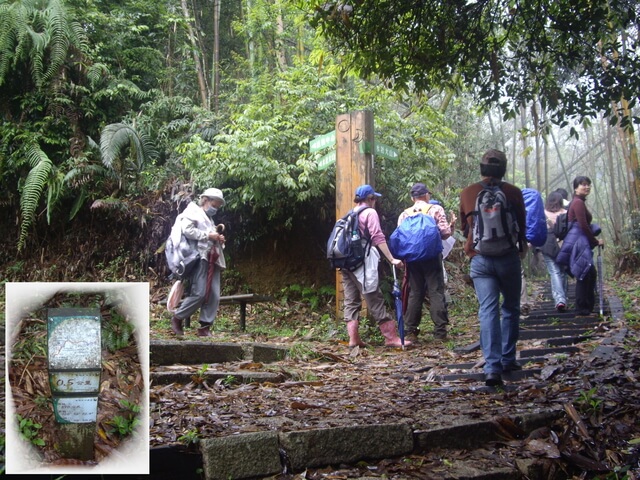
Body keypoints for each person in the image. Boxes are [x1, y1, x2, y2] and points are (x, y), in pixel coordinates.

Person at [459, 149, 528, 387]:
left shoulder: (468, 192)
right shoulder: (513, 192)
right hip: (508, 258)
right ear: (504, 169)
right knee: (510, 307)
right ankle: (508, 359)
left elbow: (464, 228)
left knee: (488, 310)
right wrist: (521, 249)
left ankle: (492, 368)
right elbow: (521, 225)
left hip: (480, 259)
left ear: (481, 168)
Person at [342, 185, 409, 348]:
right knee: (374, 298)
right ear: (370, 199)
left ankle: (353, 338)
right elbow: (377, 237)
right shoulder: (370, 213)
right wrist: (392, 259)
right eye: (374, 199)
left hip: (345, 262)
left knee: (351, 300)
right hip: (361, 263)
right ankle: (391, 337)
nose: (376, 202)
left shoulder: (350, 213)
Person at [397, 183, 452, 342]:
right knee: (435, 291)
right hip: (431, 256)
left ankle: (411, 331)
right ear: (427, 195)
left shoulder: (404, 214)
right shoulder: (435, 209)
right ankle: (440, 332)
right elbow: (445, 233)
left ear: (412, 198)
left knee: (415, 292)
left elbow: (401, 238)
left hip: (412, 259)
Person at [171, 188, 227, 337]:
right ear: (206, 200)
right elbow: (187, 230)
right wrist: (208, 235)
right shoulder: (193, 212)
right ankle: (178, 318)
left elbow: (210, 237)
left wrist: (218, 239)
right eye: (215, 204)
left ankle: (205, 327)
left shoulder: (210, 220)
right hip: (199, 258)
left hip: (212, 259)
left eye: (219, 206)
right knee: (200, 293)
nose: (217, 208)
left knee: (214, 294)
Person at [555, 176, 604, 316]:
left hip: (578, 240)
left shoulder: (578, 202)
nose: (587, 187)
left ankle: (586, 308)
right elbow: (583, 225)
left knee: (589, 273)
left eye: (588, 184)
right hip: (578, 241)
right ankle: (582, 309)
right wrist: (595, 241)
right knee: (584, 273)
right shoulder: (578, 203)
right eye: (583, 184)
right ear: (576, 188)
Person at [540, 191, 568, 311]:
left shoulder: (543, 213)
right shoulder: (566, 213)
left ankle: (560, 299)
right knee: (562, 271)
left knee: (554, 272)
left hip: (547, 244)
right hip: (564, 245)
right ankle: (563, 297)